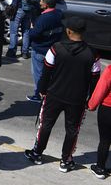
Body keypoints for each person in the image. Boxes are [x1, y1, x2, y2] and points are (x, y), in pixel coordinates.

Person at [25, 18, 101, 171]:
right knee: (72, 130)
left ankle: (37, 153)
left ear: (69, 31)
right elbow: (95, 79)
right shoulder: (93, 54)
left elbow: (46, 72)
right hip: (77, 99)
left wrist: (42, 90)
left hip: (54, 94)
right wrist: (90, 99)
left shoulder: (56, 48)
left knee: (45, 125)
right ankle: (66, 160)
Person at [26, 0, 65, 102]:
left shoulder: (43, 18)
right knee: (50, 74)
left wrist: (31, 29)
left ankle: (38, 95)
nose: (40, 3)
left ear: (46, 5)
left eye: (41, 1)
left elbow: (34, 34)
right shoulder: (59, 14)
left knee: (39, 74)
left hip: (41, 49)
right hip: (53, 49)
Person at [87, 60, 111, 178]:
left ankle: (100, 168)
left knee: (105, 140)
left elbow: (101, 88)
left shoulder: (110, 70)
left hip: (108, 108)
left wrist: (92, 105)